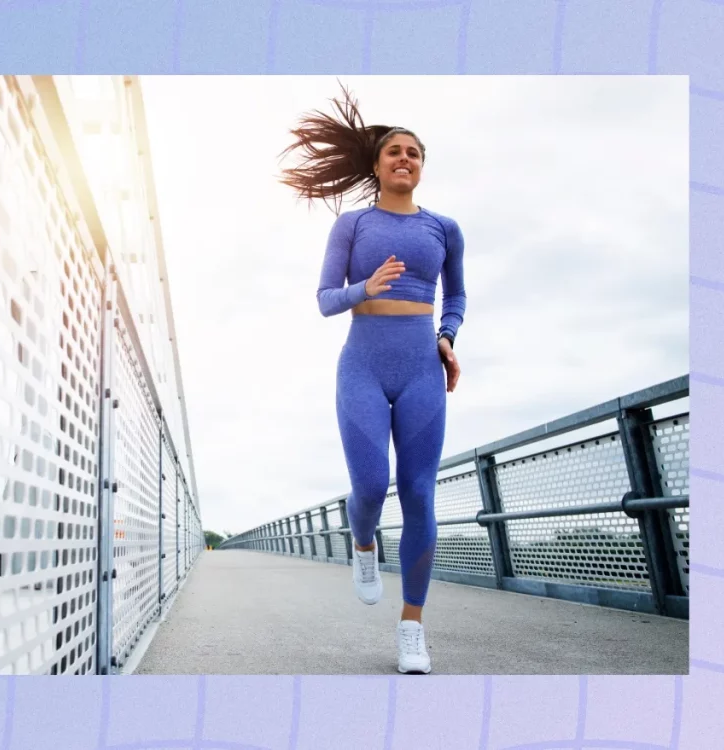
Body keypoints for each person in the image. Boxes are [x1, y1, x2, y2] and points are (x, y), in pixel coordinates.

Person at [279, 85, 465, 675]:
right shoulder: (353, 225)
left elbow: (455, 295)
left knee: (419, 493)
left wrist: (448, 336)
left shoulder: (445, 227)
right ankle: (363, 544)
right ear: (378, 165)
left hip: (420, 370)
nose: (404, 158)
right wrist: (367, 288)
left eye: (414, 152)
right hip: (361, 363)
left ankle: (411, 626)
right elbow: (325, 300)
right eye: (394, 152)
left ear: (422, 165)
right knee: (370, 485)